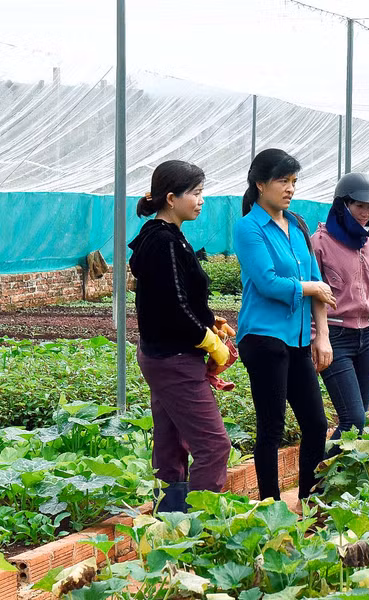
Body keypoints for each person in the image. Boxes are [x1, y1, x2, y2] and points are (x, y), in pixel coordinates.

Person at [128, 159, 233, 513]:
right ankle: (202, 525)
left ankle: (171, 521)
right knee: (214, 445)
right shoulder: (164, 243)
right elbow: (173, 308)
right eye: (196, 193)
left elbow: (172, 297)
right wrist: (210, 340)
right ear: (171, 198)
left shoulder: (166, 237)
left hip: (164, 353)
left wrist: (209, 320)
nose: (202, 200)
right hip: (173, 359)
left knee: (171, 445)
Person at [234, 148, 336, 501]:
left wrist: (322, 336)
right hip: (263, 338)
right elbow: (268, 282)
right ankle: (271, 506)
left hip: (296, 340)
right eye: (282, 180)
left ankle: (309, 500)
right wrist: (311, 287)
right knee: (272, 428)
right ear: (261, 184)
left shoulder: (297, 225)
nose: (290, 188)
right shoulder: (249, 228)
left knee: (316, 424)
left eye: (294, 181)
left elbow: (317, 283)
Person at [311, 172, 369, 446]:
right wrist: (318, 338)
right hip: (334, 337)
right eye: (359, 206)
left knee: (359, 421)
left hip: (366, 337)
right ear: (342, 204)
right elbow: (311, 295)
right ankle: (318, 480)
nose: (365, 213)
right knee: (353, 419)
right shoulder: (319, 242)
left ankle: (336, 483)